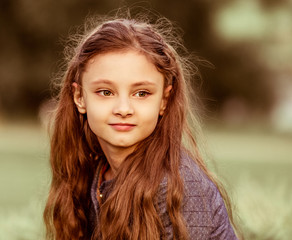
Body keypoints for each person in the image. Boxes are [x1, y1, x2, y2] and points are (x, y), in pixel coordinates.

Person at [43, 14, 240, 240]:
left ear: (164, 100)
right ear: (79, 97)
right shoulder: (94, 171)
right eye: (106, 92)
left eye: (141, 93)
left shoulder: (178, 186)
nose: (124, 108)